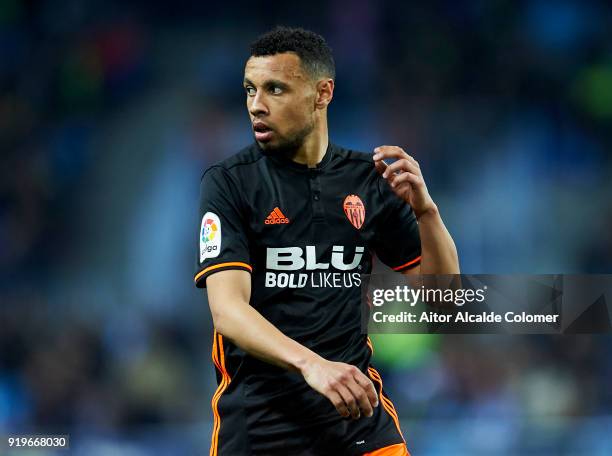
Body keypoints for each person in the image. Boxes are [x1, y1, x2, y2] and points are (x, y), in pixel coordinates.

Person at [194, 26, 459, 456]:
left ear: (322, 94)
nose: (256, 106)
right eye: (249, 90)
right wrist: (312, 366)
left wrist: (427, 213)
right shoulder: (229, 184)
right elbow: (227, 311)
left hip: (356, 420)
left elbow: (443, 301)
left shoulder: (369, 181)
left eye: (274, 89)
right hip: (260, 427)